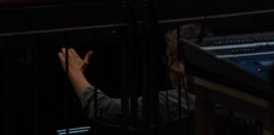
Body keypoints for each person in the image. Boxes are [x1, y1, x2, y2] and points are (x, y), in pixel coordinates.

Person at [58, 45, 194, 133]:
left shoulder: (184, 101)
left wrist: (75, 73)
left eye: (173, 59)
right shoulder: (194, 100)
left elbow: (105, 109)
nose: (170, 67)